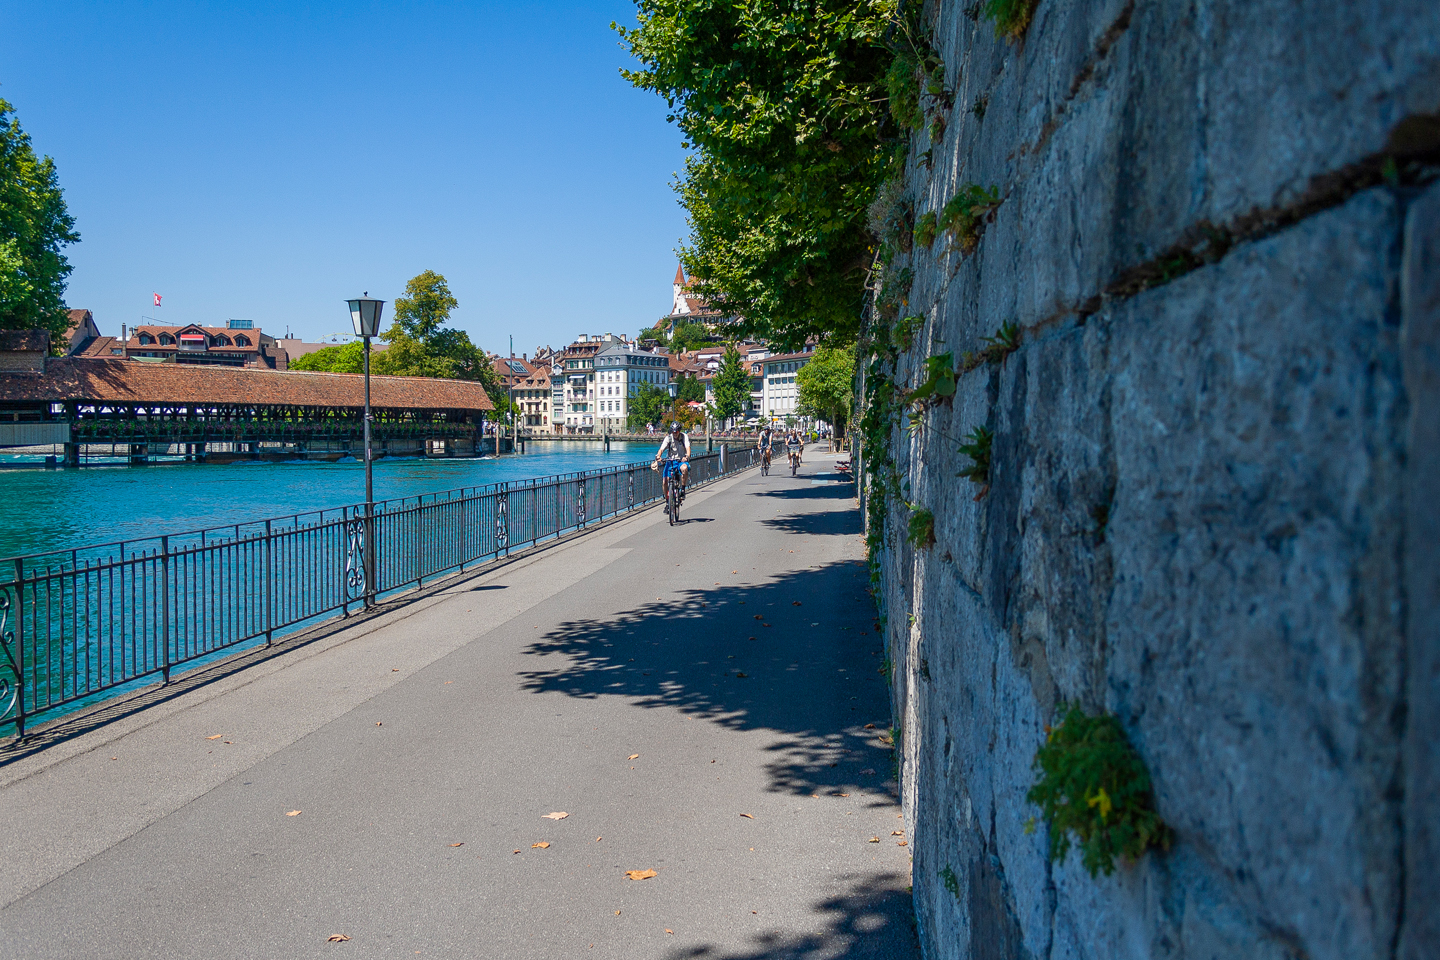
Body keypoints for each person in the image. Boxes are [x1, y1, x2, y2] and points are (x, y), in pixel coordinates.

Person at [655, 421, 691, 509]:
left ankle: (682, 489)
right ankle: (667, 502)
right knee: (665, 481)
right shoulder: (668, 438)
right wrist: (658, 456)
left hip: (681, 460)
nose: (675, 434)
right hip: (671, 461)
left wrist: (687, 456)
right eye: (673, 432)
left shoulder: (684, 437)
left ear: (679, 431)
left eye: (677, 432)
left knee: (684, 468)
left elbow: (688, 448)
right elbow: (661, 449)